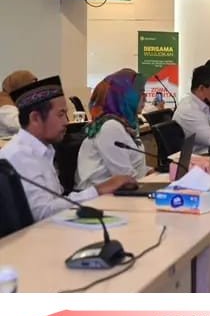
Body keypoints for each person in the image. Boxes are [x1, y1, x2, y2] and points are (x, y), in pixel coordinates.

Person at [0, 76, 135, 222]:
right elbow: (41, 213)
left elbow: (55, 200)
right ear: (35, 118)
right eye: (60, 114)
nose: (66, 121)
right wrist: (98, 190)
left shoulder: (44, 149)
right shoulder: (19, 156)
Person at [75, 69, 152, 190]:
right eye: (141, 93)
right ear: (124, 96)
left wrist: (151, 171)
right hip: (98, 197)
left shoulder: (126, 125)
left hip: (120, 192)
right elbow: (125, 177)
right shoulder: (110, 127)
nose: (145, 99)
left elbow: (134, 167)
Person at [0, 70, 37, 137]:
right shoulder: (4, 103)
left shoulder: (19, 101)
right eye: (31, 86)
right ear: (20, 86)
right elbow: (20, 125)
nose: (34, 90)